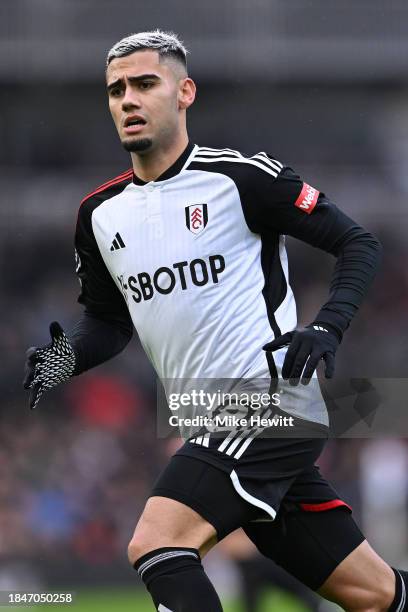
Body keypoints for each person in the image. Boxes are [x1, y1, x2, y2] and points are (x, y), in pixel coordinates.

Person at [23, 30, 406, 612]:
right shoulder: (99, 216)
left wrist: (328, 325)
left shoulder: (240, 179)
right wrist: (64, 358)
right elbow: (107, 323)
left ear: (184, 93)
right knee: (374, 594)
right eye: (116, 89)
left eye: (146, 84)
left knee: (157, 542)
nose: (128, 99)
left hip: (269, 403)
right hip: (207, 418)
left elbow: (358, 242)